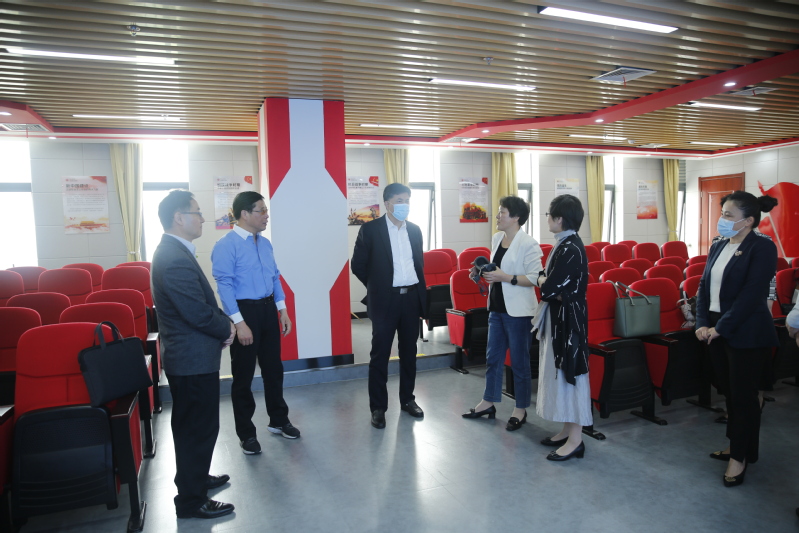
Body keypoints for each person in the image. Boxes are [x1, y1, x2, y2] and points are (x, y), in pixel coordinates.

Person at [151, 189, 236, 519]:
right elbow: (197, 312)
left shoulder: (175, 251)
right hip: (191, 360)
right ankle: (191, 500)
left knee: (196, 427)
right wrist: (227, 328)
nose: (202, 218)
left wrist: (223, 323)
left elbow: (201, 305)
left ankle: (196, 478)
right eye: (197, 212)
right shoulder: (173, 258)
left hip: (191, 358)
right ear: (178, 218)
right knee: (196, 430)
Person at [695, 191, 779, 487]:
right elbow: (704, 286)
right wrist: (702, 323)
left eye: (729, 215)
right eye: (723, 214)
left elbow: (752, 294)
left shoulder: (762, 247)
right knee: (730, 396)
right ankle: (738, 446)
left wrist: (721, 328)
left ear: (749, 221)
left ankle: (739, 457)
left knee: (744, 399)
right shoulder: (719, 244)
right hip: (716, 330)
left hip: (746, 332)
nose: (722, 220)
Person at [211, 191, 298, 455]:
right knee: (243, 376)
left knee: (274, 369)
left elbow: (275, 277)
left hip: (268, 309)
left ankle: (279, 420)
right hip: (244, 312)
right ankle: (246, 433)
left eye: (265, 210)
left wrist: (282, 310)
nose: (266, 215)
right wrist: (239, 323)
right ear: (244, 214)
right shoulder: (226, 245)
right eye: (261, 210)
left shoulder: (265, 243)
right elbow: (224, 286)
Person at [462, 196, 543, 430]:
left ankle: (520, 409)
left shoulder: (529, 243)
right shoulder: (497, 238)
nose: (497, 216)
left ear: (516, 217)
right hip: (496, 308)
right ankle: (488, 402)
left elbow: (536, 278)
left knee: (519, 362)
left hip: (519, 312)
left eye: (502, 213)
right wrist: (481, 273)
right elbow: (495, 270)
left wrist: (504, 277)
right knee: (493, 359)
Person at [352, 182, 427, 429]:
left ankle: (408, 400)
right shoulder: (371, 230)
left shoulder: (414, 230)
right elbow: (358, 265)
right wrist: (378, 286)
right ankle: (378, 407)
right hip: (385, 301)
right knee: (380, 354)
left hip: (411, 299)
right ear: (387, 203)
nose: (405, 205)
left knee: (409, 353)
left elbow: (419, 265)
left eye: (408, 201)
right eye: (399, 201)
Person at [533, 194, 592, 461]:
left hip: (569, 321)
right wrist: (547, 284)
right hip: (560, 316)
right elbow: (551, 289)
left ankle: (576, 440)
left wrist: (544, 282)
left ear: (559, 218)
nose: (547, 218)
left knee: (571, 374)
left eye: (549, 214)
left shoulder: (570, 248)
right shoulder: (564, 243)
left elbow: (548, 288)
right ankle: (567, 430)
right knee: (560, 374)